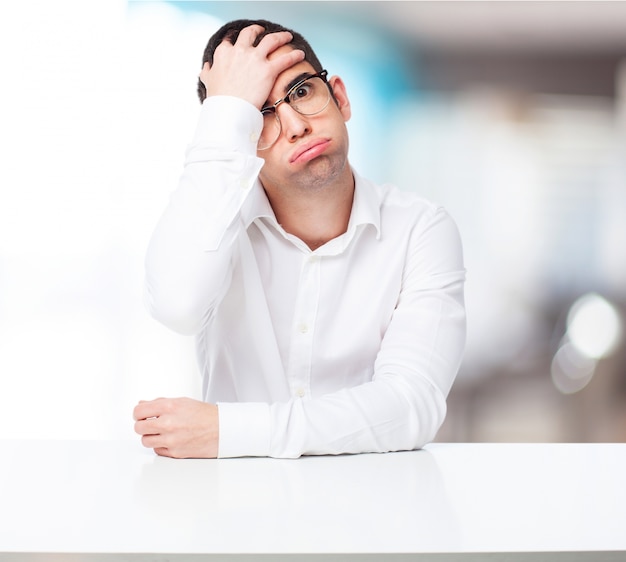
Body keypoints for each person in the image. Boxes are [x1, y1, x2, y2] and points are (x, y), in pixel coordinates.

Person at [133, 19, 466, 459]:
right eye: (261, 116)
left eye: (302, 92)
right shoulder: (215, 226)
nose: (295, 126)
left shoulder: (422, 229)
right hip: (234, 514)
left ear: (340, 98)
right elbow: (176, 305)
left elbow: (408, 407)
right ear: (241, 138)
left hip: (376, 515)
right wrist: (226, 115)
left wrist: (227, 431)